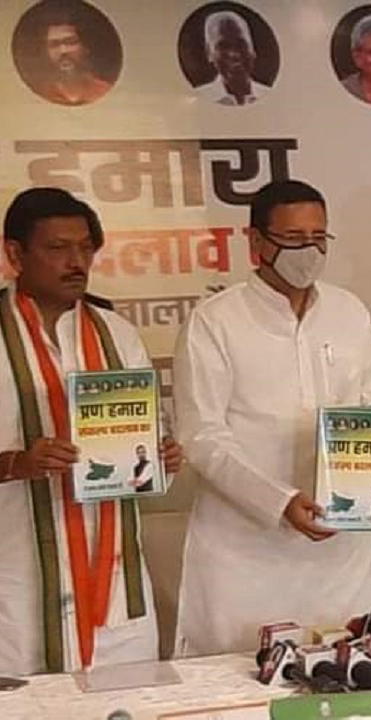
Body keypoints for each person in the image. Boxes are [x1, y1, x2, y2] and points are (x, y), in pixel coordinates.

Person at [173, 180, 371, 655]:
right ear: (256, 241)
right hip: (246, 552)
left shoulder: (349, 310)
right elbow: (202, 435)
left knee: (348, 671)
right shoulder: (215, 320)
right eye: (293, 239)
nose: (308, 251)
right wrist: (278, 501)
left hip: (342, 546)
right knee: (247, 679)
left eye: (318, 237)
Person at [0, 188, 182, 676]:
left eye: (85, 248)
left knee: (126, 701)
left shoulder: (116, 332)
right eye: (58, 248)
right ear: (15, 253)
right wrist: (17, 463)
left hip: (114, 580)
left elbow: (147, 434)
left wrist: (159, 455)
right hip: (14, 581)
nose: (76, 262)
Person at [30, 4, 112, 106]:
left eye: (70, 41)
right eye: (54, 44)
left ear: (85, 47)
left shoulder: (104, 91)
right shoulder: (39, 95)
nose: (63, 50)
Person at [195, 10, 269, 106]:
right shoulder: (200, 99)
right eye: (223, 47)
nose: (234, 55)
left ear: (253, 48)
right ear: (209, 53)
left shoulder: (271, 96)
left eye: (240, 44)